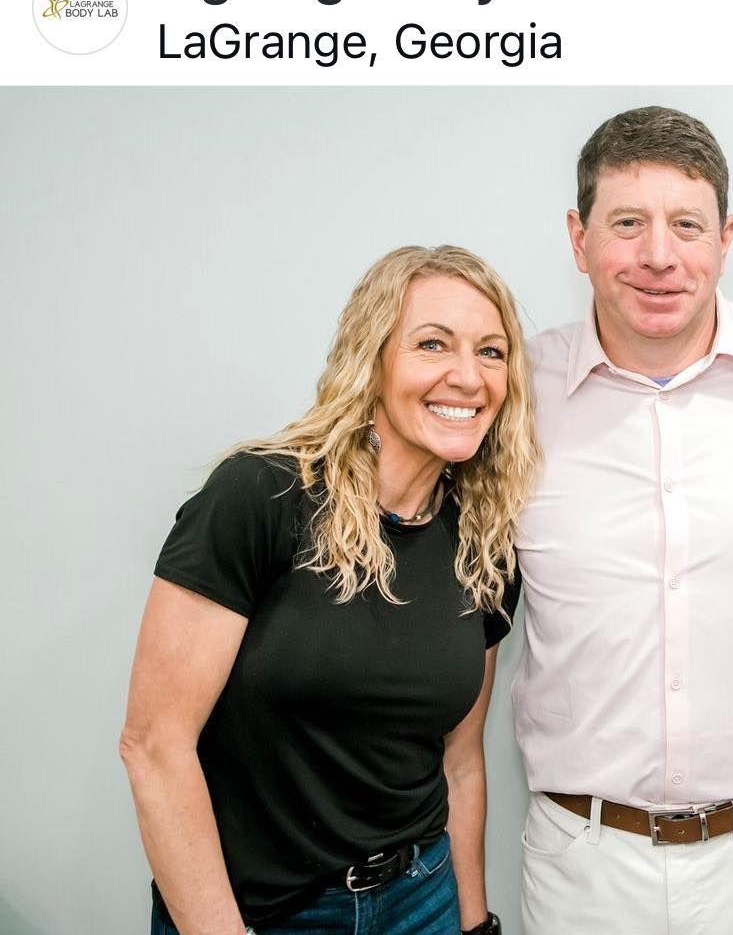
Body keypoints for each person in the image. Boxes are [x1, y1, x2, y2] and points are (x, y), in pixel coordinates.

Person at [119, 245, 538, 935]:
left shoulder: (484, 544)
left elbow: (459, 762)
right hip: (267, 915)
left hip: (421, 900)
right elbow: (154, 745)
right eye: (433, 344)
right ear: (371, 359)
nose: (468, 376)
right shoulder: (261, 496)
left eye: (492, 353)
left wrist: (471, 925)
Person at [513, 106, 733, 935]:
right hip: (581, 863)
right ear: (578, 238)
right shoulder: (508, 391)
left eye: (686, 225)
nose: (659, 256)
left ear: (725, 238)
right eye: (627, 223)